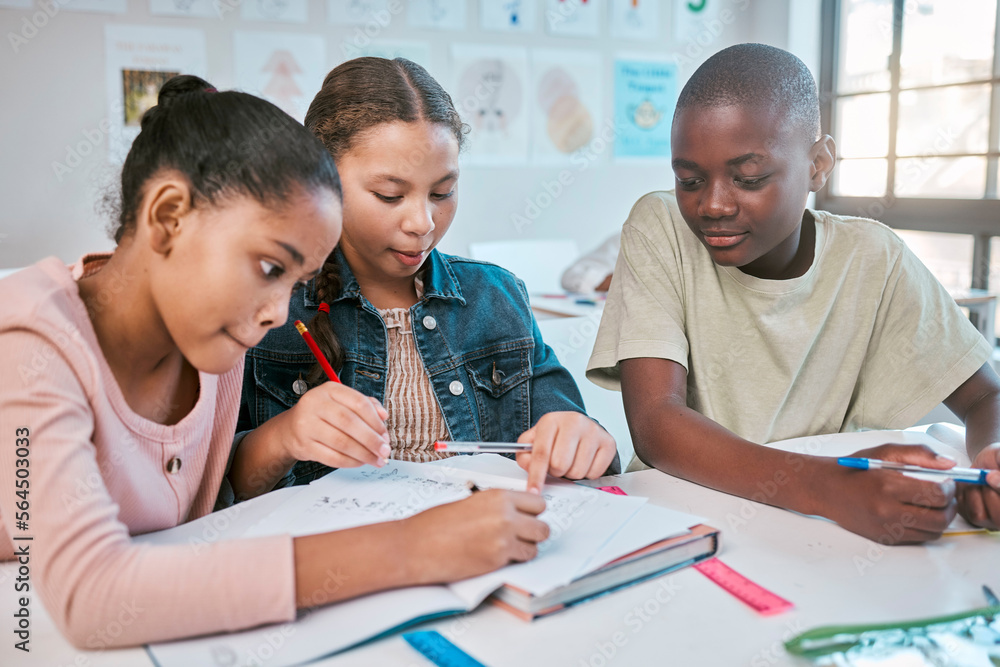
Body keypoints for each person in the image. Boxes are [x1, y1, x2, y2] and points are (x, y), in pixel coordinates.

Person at [0, 76, 549, 648]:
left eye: (297, 282)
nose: (276, 312)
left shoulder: (213, 336)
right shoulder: (29, 336)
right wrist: (409, 547)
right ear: (167, 217)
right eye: (269, 268)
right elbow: (93, 598)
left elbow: (206, 522)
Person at [587, 43, 1000, 544]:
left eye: (749, 178)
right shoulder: (661, 227)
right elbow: (656, 424)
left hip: (818, 534)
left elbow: (986, 395)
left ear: (819, 164)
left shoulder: (873, 257)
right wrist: (828, 488)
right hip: (680, 523)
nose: (713, 204)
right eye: (689, 179)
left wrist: (991, 460)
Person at [236, 57, 619, 498]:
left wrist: (584, 440)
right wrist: (285, 436)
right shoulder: (270, 309)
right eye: (389, 195)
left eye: (442, 192)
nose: (422, 223)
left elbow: (583, 445)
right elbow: (222, 491)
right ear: (321, 180)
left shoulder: (495, 298)